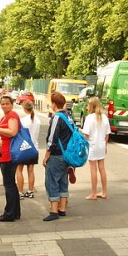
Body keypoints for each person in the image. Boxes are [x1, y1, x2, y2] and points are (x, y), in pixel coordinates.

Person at [42, 91, 74, 221]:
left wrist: (46, 156)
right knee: (63, 181)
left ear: (54, 104)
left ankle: (54, 211)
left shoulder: (57, 117)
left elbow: (52, 139)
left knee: (51, 181)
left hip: (56, 155)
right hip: (67, 155)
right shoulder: (69, 117)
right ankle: (62, 209)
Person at [0, 95, 21, 223]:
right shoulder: (5, 116)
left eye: (7, 103)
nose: (4, 106)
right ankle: (15, 212)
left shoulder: (12, 115)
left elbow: (13, 132)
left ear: (12, 104)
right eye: (2, 104)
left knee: (8, 184)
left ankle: (9, 213)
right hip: (4, 153)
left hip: (9, 154)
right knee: (11, 184)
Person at [82, 97, 110, 199]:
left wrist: (83, 148)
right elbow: (107, 135)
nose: (87, 107)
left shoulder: (89, 118)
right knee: (102, 168)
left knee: (93, 169)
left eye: (88, 105)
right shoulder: (104, 117)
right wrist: (105, 146)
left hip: (92, 146)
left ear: (92, 106)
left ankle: (93, 193)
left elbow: (86, 135)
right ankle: (104, 192)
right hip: (101, 145)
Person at [16, 100, 40, 199]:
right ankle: (30, 191)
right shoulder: (37, 120)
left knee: (19, 170)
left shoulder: (22, 121)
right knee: (31, 170)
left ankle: (20, 192)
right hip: (34, 147)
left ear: (24, 108)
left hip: (24, 147)